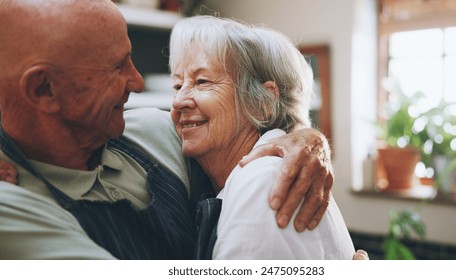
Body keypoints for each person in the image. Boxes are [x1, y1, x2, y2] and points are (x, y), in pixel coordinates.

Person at [0, 0, 334, 259]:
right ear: (44, 90)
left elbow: (253, 135)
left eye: (201, 81)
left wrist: (305, 138)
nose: (138, 82)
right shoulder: (10, 206)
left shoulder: (155, 131)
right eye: (116, 67)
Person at [169, 15, 355, 259]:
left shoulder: (265, 182)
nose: (178, 101)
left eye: (202, 81)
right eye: (177, 85)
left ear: (262, 103)